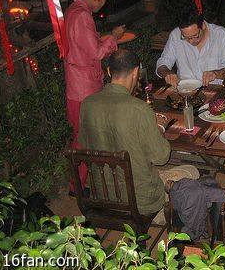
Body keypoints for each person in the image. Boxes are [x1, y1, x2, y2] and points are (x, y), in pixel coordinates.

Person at [78, 50, 198, 219]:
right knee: (192, 171)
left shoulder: (87, 104)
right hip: (140, 202)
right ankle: (160, 218)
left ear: (109, 71)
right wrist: (160, 128)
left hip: (101, 195)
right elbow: (161, 157)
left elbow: (84, 144)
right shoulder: (139, 109)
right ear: (135, 72)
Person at [64, 0, 125, 193]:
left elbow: (85, 46)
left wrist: (107, 38)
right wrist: (114, 37)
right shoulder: (82, 16)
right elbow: (97, 52)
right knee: (83, 137)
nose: (104, 4)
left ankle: (81, 182)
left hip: (78, 84)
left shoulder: (73, 10)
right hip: (83, 89)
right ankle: (77, 186)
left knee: (83, 136)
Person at [156, 9, 225, 87]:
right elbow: (163, 63)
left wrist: (216, 73)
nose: (191, 42)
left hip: (214, 90)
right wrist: (167, 73)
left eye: (195, 36)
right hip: (185, 90)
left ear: (203, 26)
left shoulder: (220, 35)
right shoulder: (175, 35)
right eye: (185, 37)